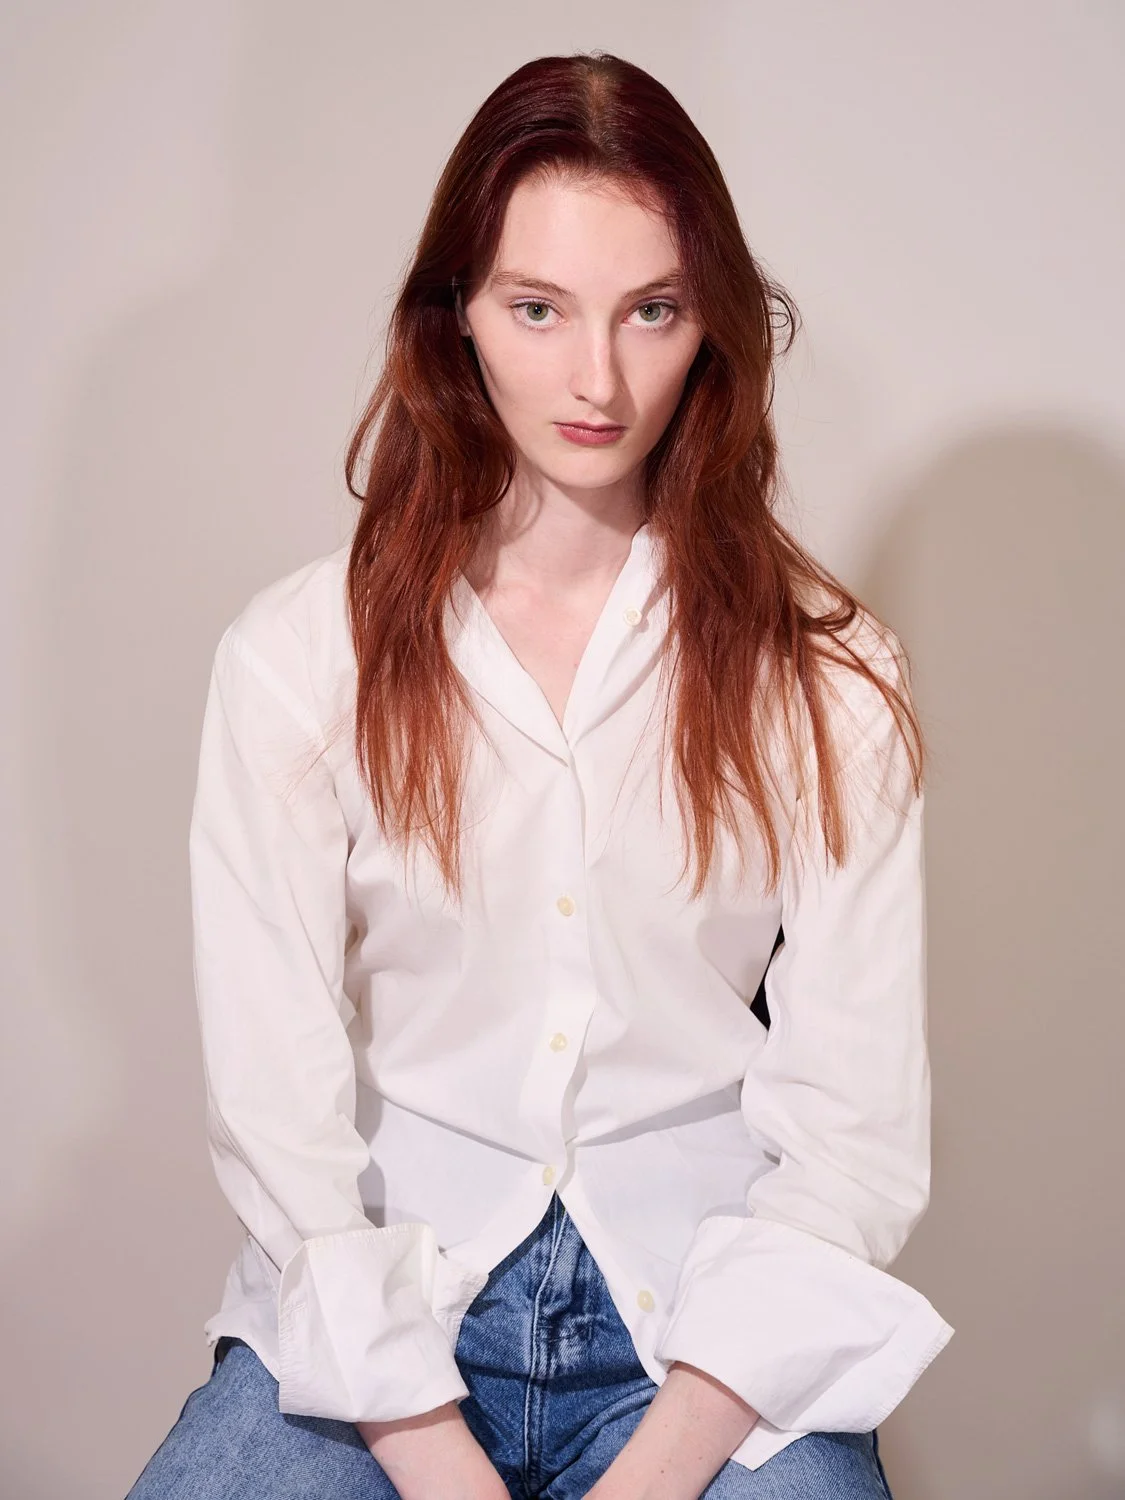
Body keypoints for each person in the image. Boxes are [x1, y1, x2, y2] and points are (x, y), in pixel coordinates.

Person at [126, 48, 954, 1500]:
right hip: (393, 1304)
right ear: (456, 321)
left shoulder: (831, 674)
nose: (597, 379)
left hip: (707, 1325)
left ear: (712, 327)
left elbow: (851, 1132)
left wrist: (664, 1463)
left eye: (653, 311)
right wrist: (426, 1451)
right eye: (538, 309)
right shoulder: (294, 664)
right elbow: (280, 1116)